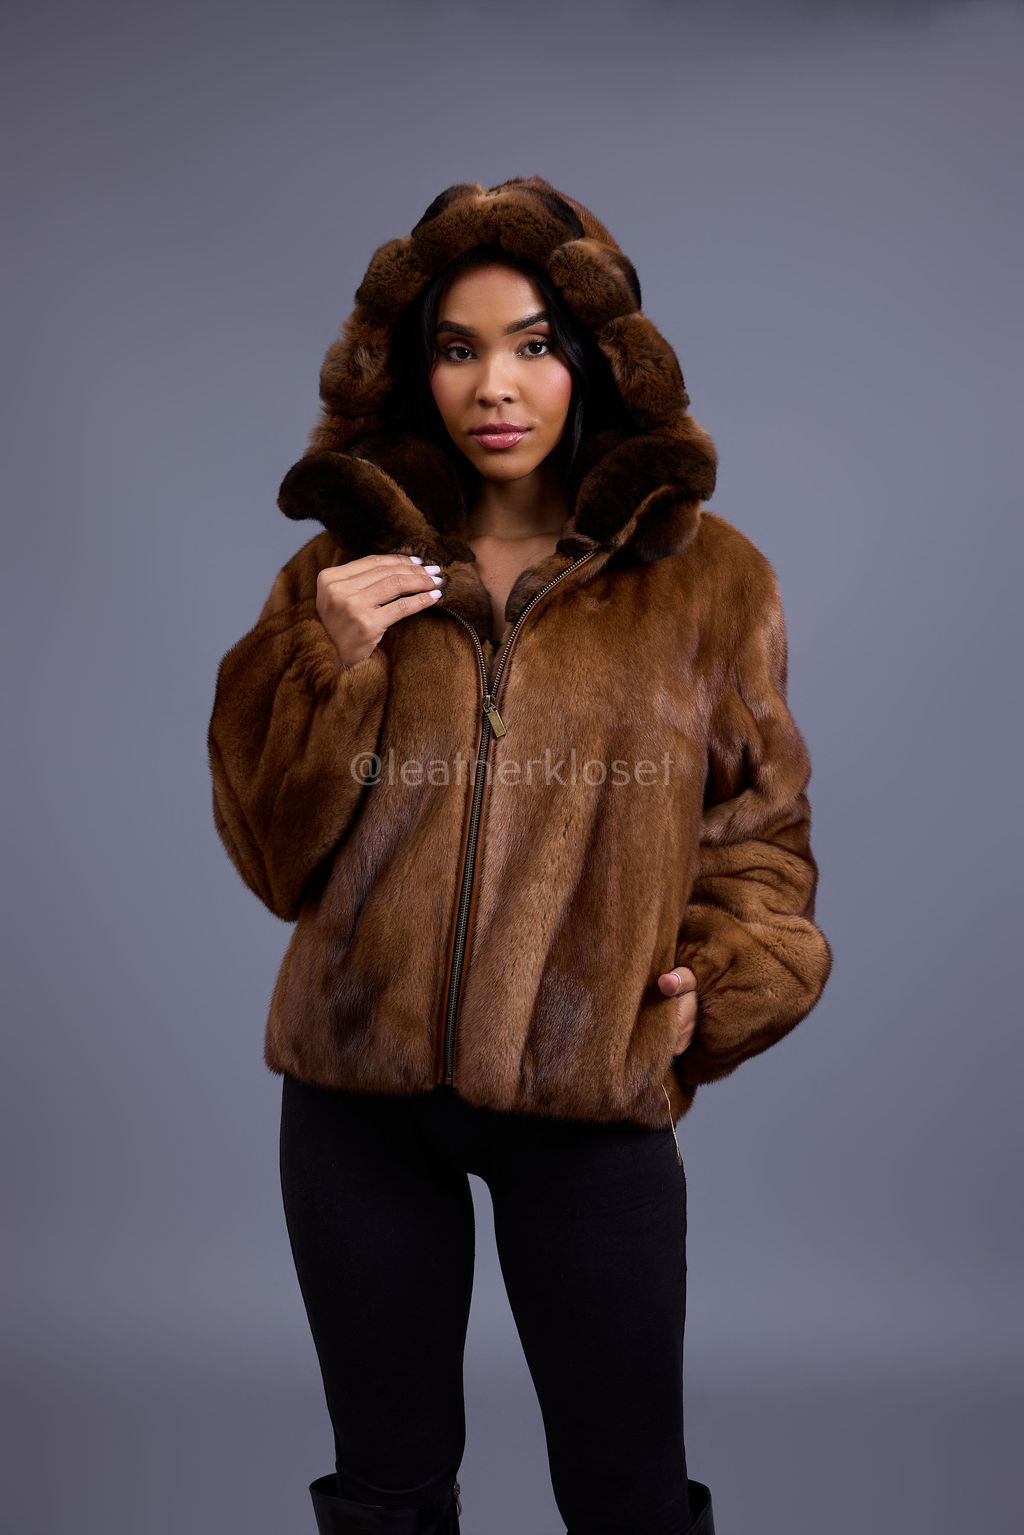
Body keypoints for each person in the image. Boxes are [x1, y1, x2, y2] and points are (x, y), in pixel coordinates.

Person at [206, 175, 833, 1535]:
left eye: (534, 344)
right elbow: (269, 856)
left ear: (596, 360)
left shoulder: (708, 580)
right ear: (412, 368)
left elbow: (760, 835)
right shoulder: (340, 577)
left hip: (588, 1095)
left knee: (626, 1497)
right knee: (386, 1493)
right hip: (357, 1102)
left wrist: (720, 979)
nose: (494, 385)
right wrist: (326, 664)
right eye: (457, 347)